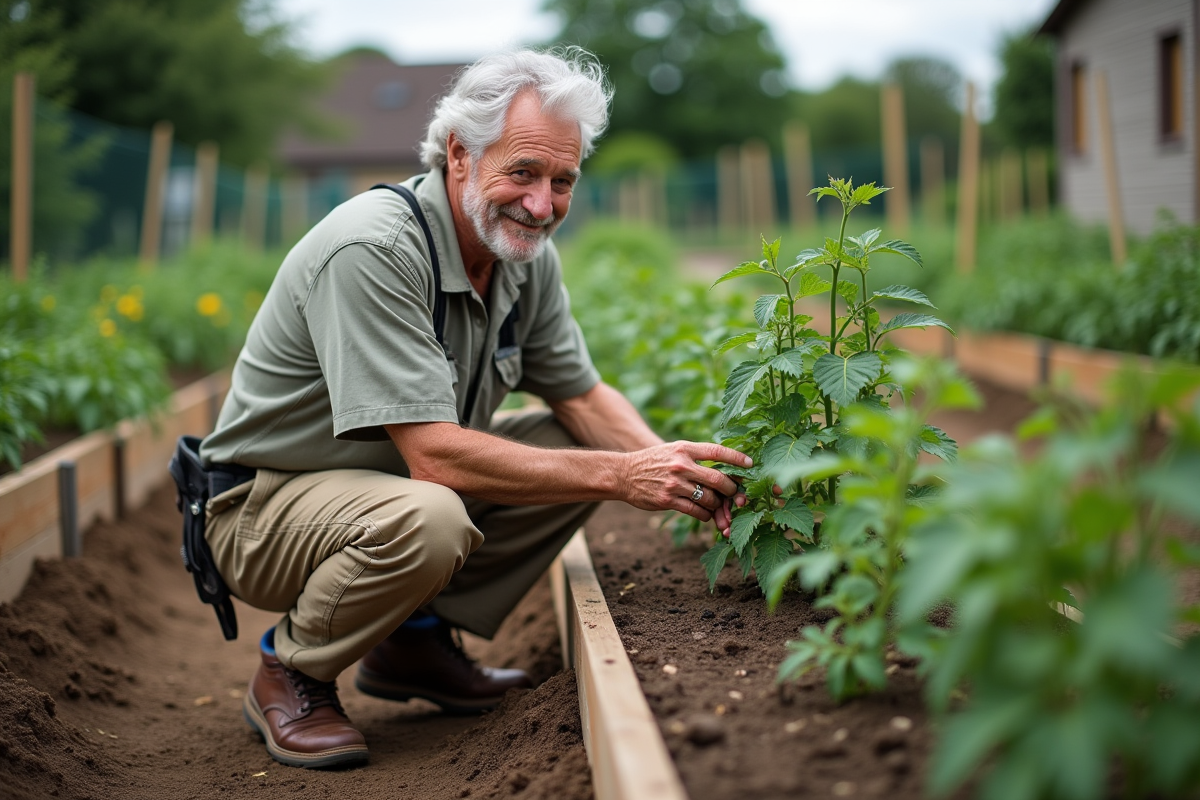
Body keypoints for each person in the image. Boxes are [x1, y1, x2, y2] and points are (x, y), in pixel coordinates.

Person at [198, 47, 750, 769]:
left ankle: (412, 642)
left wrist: (674, 470)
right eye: (522, 172)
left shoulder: (524, 257)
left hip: (379, 490)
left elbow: (580, 396)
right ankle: (291, 669)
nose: (542, 204)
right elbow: (433, 456)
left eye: (563, 181)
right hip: (264, 509)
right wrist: (621, 476)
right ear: (459, 154)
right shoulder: (376, 247)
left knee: (561, 438)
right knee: (434, 517)